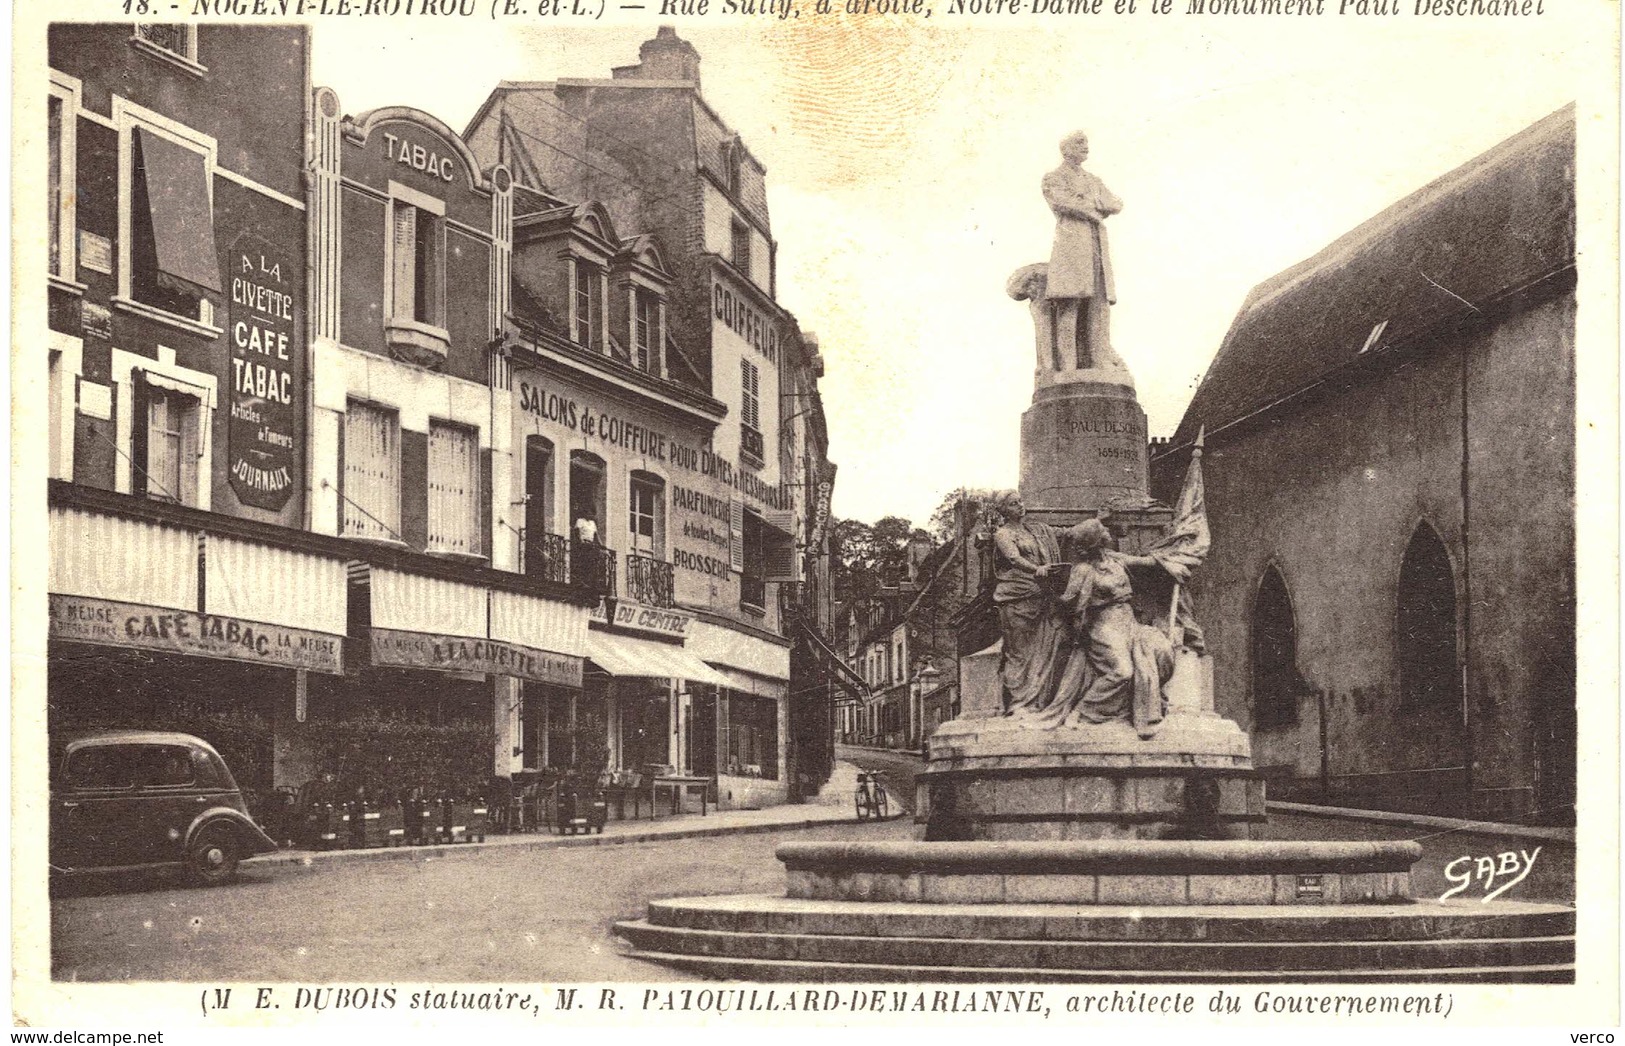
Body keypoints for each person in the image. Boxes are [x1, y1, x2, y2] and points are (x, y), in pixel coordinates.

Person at [1047, 519, 1176, 737]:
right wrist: (1048, 586)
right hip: (1103, 624)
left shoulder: (1117, 559)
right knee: (1122, 671)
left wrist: (1180, 558)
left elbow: (1149, 563)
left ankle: (1145, 703)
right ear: (1095, 541)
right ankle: (1083, 711)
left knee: (1163, 651)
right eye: (1102, 530)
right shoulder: (1083, 570)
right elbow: (1067, 602)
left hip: (1129, 622)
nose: (1108, 530)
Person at [1042, 132, 1125, 371]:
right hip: (1072, 245)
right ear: (1066, 149)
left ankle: (1100, 360)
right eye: (1080, 144)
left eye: (1087, 144)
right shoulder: (1054, 178)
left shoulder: (1093, 180)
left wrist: (1090, 204)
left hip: (1096, 244)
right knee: (1070, 302)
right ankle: (1068, 366)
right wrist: (1091, 207)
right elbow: (1062, 203)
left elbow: (1115, 203)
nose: (1086, 148)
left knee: (1099, 305)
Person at [990, 494, 1070, 716]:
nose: (1020, 505)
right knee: (1020, 653)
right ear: (1003, 510)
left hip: (1041, 596)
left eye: (1020, 501)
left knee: (1040, 651)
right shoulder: (1003, 534)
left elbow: (1064, 534)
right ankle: (1018, 704)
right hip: (1017, 597)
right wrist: (1036, 570)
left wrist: (1097, 521)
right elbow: (1014, 559)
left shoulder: (1036, 530)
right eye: (1013, 503)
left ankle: (1036, 701)